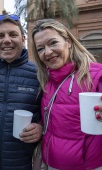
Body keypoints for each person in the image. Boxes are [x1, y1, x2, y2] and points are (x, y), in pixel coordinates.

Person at [31, 19, 102, 170]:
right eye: (40, 49)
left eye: (53, 43)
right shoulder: (46, 81)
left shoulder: (96, 75)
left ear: (68, 41)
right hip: (52, 164)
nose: (48, 52)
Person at [0, 14, 42, 170]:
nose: (6, 40)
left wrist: (41, 127)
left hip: (22, 165)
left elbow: (52, 112)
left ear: (23, 38)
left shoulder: (40, 75)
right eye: (0, 36)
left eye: (13, 34)